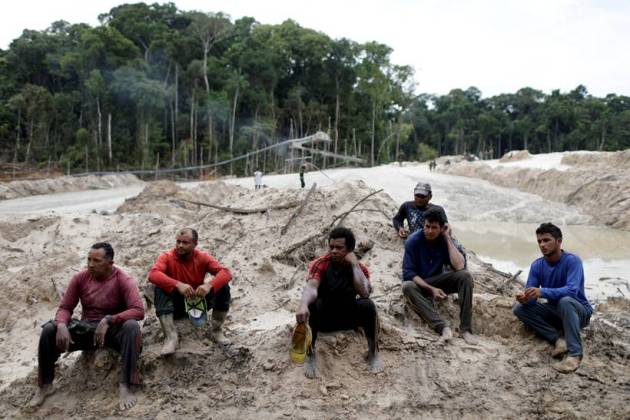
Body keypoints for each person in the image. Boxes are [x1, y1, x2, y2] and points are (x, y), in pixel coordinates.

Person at [29, 242, 144, 411]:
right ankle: (45, 385)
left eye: (96, 261)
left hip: (111, 333)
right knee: (49, 329)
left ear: (110, 263)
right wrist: (61, 325)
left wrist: (109, 320)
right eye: (89, 259)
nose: (90, 264)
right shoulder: (80, 278)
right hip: (87, 330)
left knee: (131, 327)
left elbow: (138, 310)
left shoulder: (123, 279)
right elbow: (65, 308)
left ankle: (125, 385)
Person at [296, 227, 384, 378]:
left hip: (348, 317)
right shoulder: (321, 263)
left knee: (368, 305)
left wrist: (354, 265)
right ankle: (310, 353)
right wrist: (303, 305)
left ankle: (373, 352)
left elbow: (364, 293)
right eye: (331, 247)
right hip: (324, 318)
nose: (334, 251)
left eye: (339, 248)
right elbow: (311, 287)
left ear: (349, 250)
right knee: (311, 304)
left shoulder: (359, 268)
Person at [512, 223, 593, 373]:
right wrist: (525, 299)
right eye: (539, 241)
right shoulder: (537, 265)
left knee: (565, 301)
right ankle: (558, 340)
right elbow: (532, 296)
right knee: (519, 308)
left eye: (546, 240)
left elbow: (572, 291)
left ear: (559, 241)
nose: (542, 245)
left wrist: (542, 292)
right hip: (556, 312)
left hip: (578, 312)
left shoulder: (573, 261)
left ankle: (575, 354)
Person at [148, 228, 232, 354]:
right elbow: (153, 274)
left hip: (198, 303)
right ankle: (171, 337)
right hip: (176, 306)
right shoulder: (167, 256)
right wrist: (177, 284)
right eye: (178, 241)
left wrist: (209, 285)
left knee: (223, 286)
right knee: (159, 288)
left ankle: (216, 330)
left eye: (185, 243)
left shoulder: (202, 257)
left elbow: (226, 273)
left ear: (195, 244)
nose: (180, 245)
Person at [401, 207, 478, 344]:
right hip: (419, 283)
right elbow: (408, 273)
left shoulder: (444, 239)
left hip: (437, 280)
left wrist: (447, 237)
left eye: (434, 228)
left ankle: (466, 329)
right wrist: (431, 289)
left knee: (465, 277)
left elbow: (459, 266)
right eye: (427, 226)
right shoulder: (413, 241)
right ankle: (441, 327)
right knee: (407, 286)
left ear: (442, 228)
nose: (429, 231)